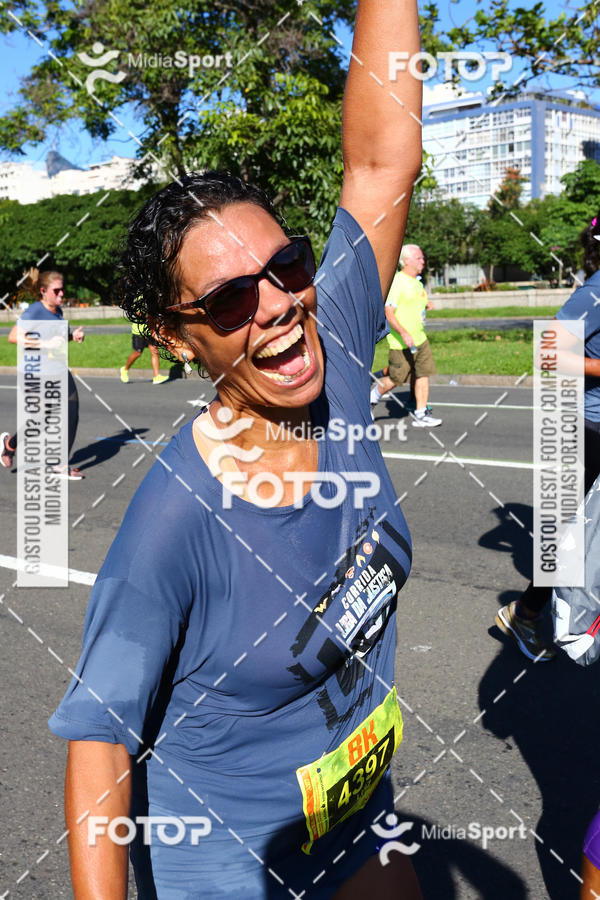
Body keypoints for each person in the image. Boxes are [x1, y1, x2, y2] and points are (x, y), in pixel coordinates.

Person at [48, 3, 425, 897]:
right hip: (230, 867)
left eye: (286, 269)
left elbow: (380, 163)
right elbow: (100, 736)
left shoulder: (328, 347)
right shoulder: (175, 520)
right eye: (226, 304)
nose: (275, 308)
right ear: (179, 340)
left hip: (359, 819)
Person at [494, 214, 600, 664]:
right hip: (589, 427)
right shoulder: (593, 290)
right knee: (570, 537)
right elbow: (551, 350)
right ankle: (525, 613)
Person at [1, 270, 84, 480]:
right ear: (43, 291)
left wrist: (72, 336)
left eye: (62, 289)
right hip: (36, 373)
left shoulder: (58, 312)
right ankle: (10, 444)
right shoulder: (35, 311)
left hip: (57, 369)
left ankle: (61, 465)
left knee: (72, 413)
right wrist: (44, 343)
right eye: (57, 290)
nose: (61, 294)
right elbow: (13, 337)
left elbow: (57, 338)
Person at [370, 245, 441, 427]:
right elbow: (389, 312)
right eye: (419, 258)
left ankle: (421, 413)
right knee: (395, 379)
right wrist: (404, 333)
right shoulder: (397, 282)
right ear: (406, 260)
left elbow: (412, 304)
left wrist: (426, 305)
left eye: (422, 258)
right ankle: (372, 397)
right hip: (401, 342)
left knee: (423, 374)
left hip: (420, 339)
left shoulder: (417, 282)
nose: (422, 261)